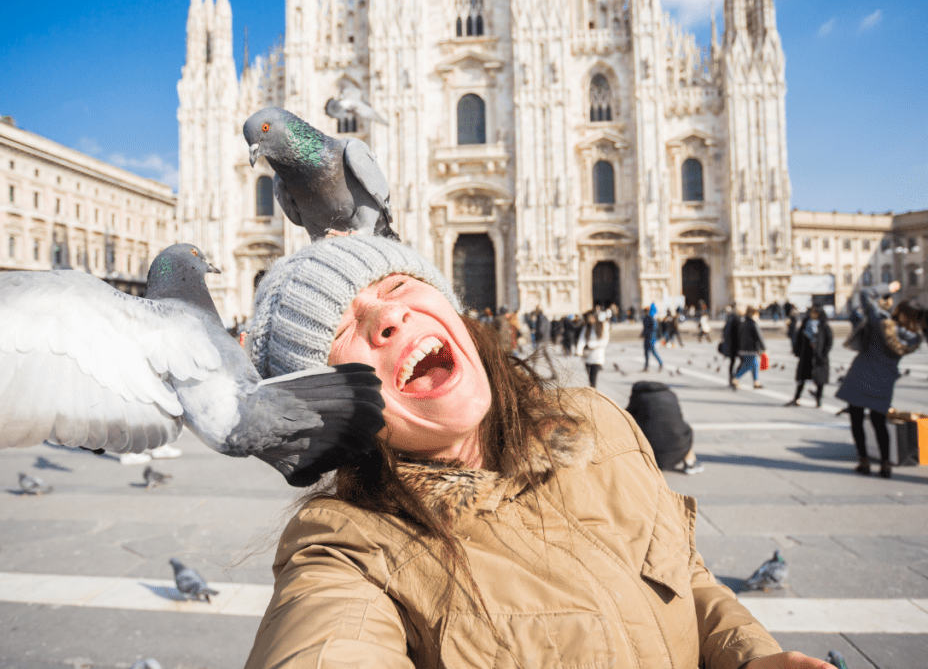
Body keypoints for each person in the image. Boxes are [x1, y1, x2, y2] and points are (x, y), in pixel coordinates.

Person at [242, 235, 829, 669]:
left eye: (396, 285)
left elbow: (681, 577)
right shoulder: (349, 550)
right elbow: (326, 639)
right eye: (341, 331)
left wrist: (751, 658)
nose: (388, 316)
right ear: (330, 407)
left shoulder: (596, 424)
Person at [836, 283, 921, 478]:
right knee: (879, 423)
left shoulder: (879, 321)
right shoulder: (913, 338)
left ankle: (864, 461)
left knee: (856, 420)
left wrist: (888, 288)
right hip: (884, 380)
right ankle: (885, 464)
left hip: (861, 375)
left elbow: (866, 294)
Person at [625, 381, 703, 475]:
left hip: (652, 455)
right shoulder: (671, 395)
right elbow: (679, 418)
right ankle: (690, 462)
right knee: (683, 431)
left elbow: (627, 416)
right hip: (678, 449)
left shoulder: (639, 396)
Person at [785, 305, 833, 408]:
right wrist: (797, 352)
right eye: (811, 312)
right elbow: (798, 338)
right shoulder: (805, 324)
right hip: (806, 355)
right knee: (801, 379)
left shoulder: (824, 326)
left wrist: (824, 353)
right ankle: (796, 398)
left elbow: (829, 341)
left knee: (820, 380)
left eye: (815, 312)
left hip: (819, 356)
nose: (812, 314)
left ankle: (818, 400)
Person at [732, 306, 766, 390]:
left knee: (754, 364)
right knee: (750, 364)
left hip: (742, 348)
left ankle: (756, 382)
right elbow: (759, 337)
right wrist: (764, 348)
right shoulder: (753, 323)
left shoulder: (743, 322)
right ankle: (736, 378)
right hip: (750, 349)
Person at [576, 309, 609, 388]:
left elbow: (604, 341)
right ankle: (592, 389)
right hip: (587, 355)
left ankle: (593, 391)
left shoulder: (602, 326)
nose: (591, 319)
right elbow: (582, 339)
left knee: (593, 376)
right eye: (589, 318)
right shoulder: (587, 327)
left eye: (592, 317)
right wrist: (579, 350)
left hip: (597, 355)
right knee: (589, 375)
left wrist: (591, 345)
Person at [720, 303, 740, 385]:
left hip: (730, 344)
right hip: (735, 344)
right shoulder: (737, 318)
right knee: (745, 362)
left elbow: (724, 332)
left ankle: (732, 378)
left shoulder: (729, 319)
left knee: (733, 362)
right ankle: (734, 378)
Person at [641, 303, 663, 372]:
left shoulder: (652, 318)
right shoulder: (645, 318)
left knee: (653, 351)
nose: (645, 312)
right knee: (646, 353)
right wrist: (642, 334)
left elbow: (654, 327)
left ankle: (660, 363)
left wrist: (648, 332)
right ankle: (646, 366)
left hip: (651, 337)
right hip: (646, 337)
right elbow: (644, 328)